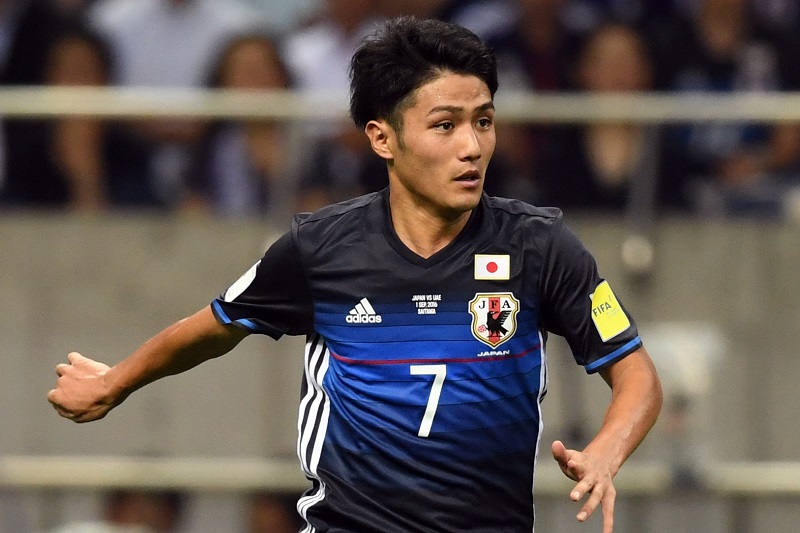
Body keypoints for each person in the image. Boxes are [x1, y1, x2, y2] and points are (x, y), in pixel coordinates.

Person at [48, 16, 662, 533]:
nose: (472, 146)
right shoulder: (321, 248)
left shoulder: (541, 246)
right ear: (382, 138)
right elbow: (214, 326)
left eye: (484, 120)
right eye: (445, 125)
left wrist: (606, 451)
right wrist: (115, 381)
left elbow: (635, 373)